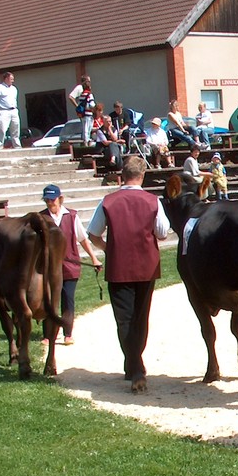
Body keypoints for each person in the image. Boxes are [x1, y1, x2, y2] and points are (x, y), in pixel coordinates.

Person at [86, 156, 170, 394]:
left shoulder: (108, 201)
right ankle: (135, 365)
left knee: (124, 319)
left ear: (122, 176)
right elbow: (162, 233)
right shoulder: (152, 200)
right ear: (142, 176)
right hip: (146, 267)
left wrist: (107, 248)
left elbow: (93, 234)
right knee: (141, 317)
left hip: (118, 266)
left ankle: (133, 365)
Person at [41, 184, 102, 346]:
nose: (49, 203)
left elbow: (82, 239)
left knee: (68, 300)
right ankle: (47, 335)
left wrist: (93, 258)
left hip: (70, 265)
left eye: (52, 199)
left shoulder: (72, 216)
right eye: (46, 200)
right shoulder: (41, 218)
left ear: (60, 199)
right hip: (48, 268)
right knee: (49, 300)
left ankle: (68, 333)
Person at [0, 71, 21, 148]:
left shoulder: (14, 89)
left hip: (14, 110)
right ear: (6, 79)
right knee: (2, 129)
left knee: (16, 129)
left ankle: (17, 146)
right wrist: (1, 107)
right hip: (3, 111)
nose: (13, 81)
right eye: (11, 79)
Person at [68, 75, 95, 145]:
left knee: (87, 128)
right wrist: (78, 107)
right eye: (88, 81)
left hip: (87, 110)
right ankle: (86, 143)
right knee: (85, 128)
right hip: (84, 111)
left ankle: (86, 142)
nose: (90, 83)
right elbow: (71, 97)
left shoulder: (86, 91)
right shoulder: (79, 87)